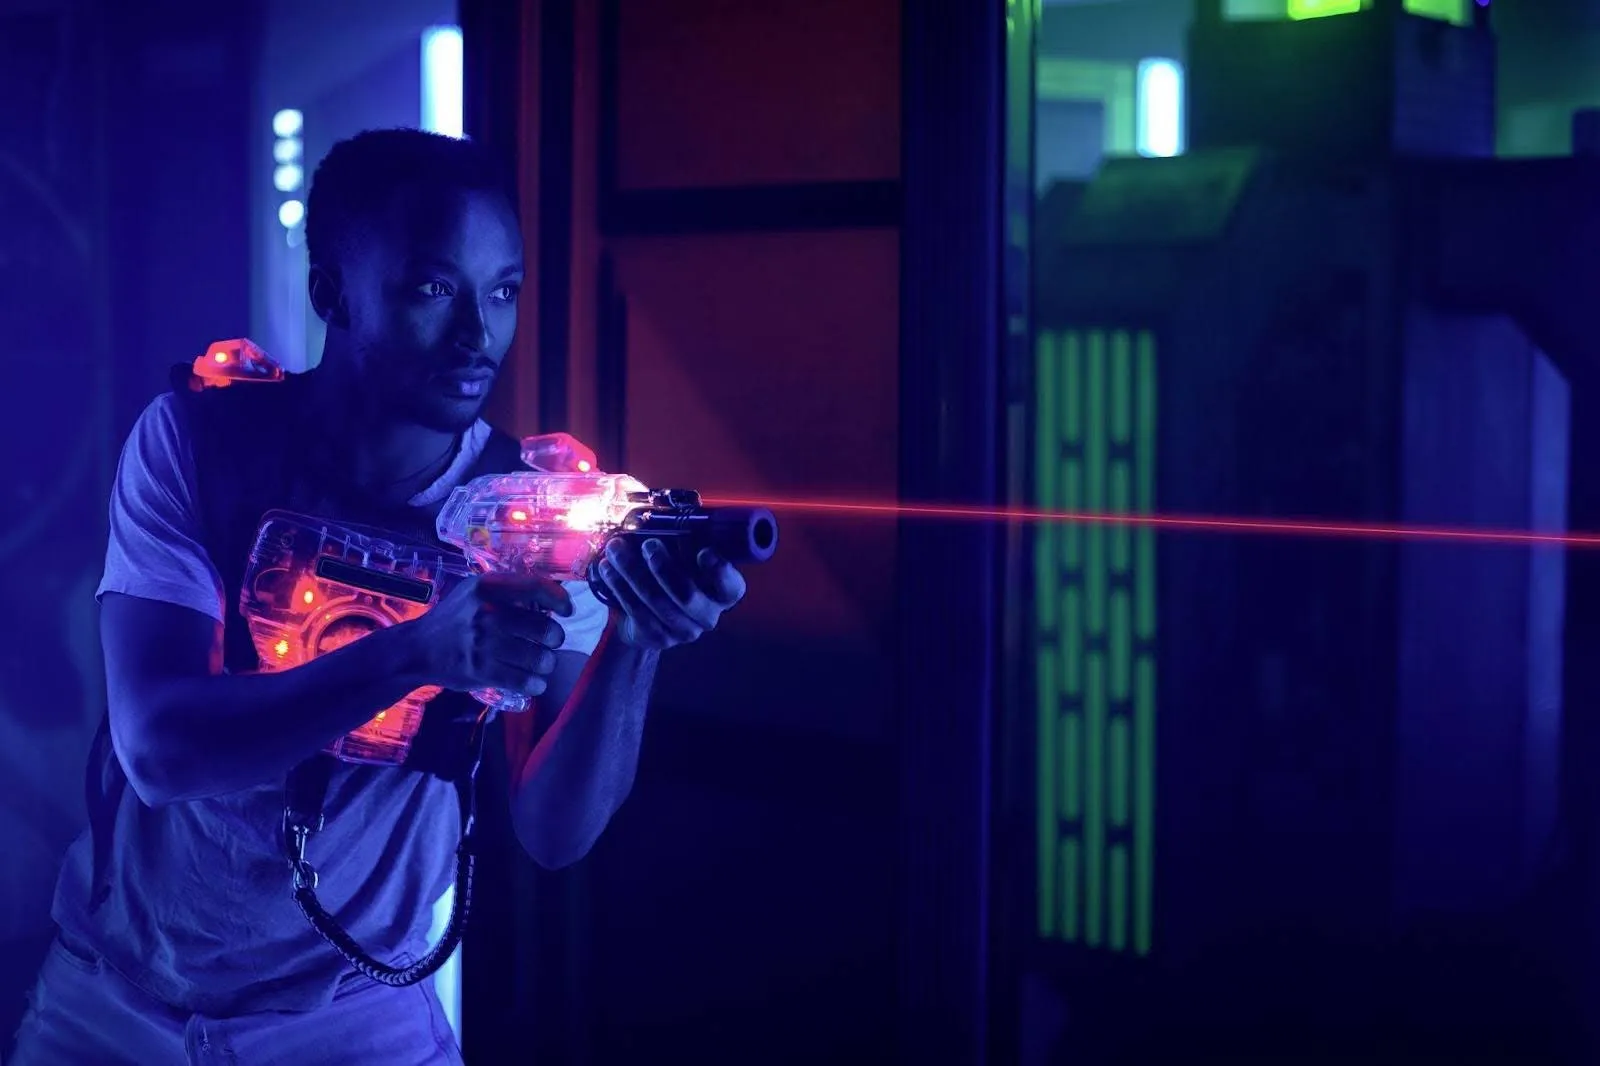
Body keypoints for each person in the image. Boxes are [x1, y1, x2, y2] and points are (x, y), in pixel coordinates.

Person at [9, 128, 749, 1065]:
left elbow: (556, 832)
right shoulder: (201, 441)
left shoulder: (534, 513)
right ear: (332, 292)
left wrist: (633, 645)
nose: (479, 336)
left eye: (504, 292)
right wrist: (415, 652)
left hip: (355, 1017)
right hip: (115, 1006)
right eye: (434, 289)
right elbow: (157, 748)